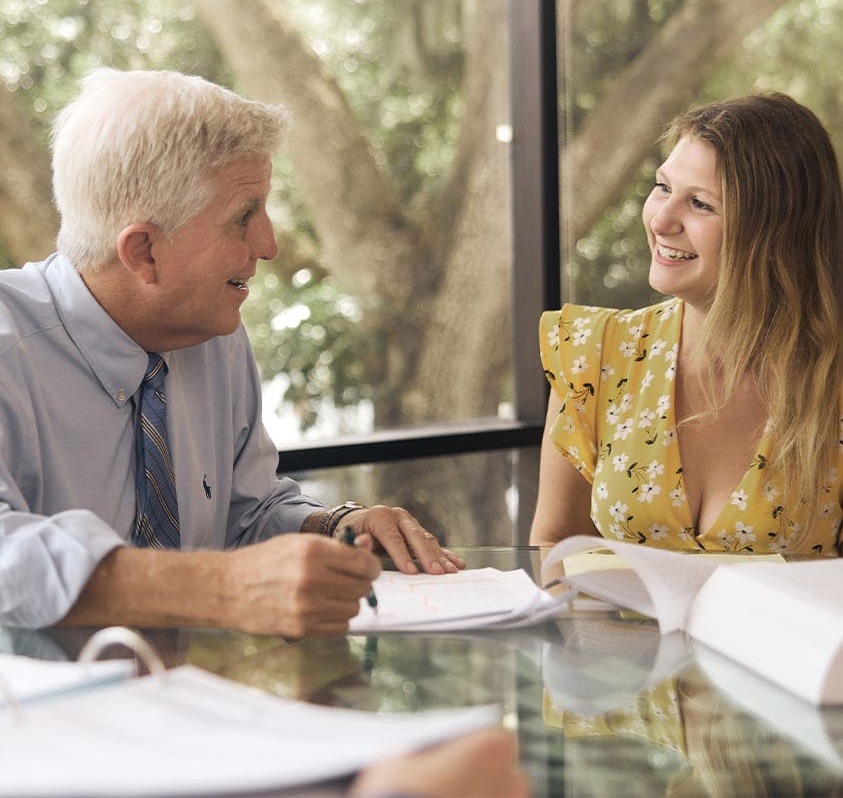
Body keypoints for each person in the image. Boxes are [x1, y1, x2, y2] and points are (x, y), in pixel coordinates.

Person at [0, 67, 467, 635]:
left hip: (200, 704)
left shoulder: (211, 335)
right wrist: (215, 588)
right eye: (244, 216)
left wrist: (336, 528)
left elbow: (245, 514)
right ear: (143, 250)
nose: (268, 245)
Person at [531, 93, 842, 555]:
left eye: (700, 203)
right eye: (662, 187)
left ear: (777, 231)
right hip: (614, 630)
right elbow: (555, 542)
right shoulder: (592, 353)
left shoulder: (831, 379)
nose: (660, 220)